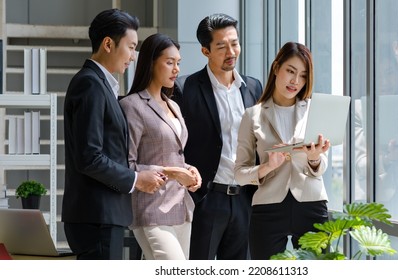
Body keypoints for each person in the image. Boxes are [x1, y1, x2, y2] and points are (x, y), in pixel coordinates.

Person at [62, 9, 165, 260]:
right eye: (130, 47)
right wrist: (136, 179)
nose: (133, 56)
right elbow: (90, 157)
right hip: (97, 217)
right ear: (108, 44)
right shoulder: (90, 84)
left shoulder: (101, 86)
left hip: (102, 216)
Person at [172, 13, 263, 260]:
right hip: (206, 199)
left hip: (245, 199)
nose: (231, 51)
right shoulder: (185, 88)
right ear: (205, 51)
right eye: (221, 46)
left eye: (234, 43)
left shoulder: (253, 87)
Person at [234, 42, 330, 260]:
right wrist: (268, 166)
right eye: (291, 71)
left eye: (303, 75)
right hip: (268, 208)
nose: (296, 81)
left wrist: (314, 159)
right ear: (276, 68)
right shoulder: (252, 116)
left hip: (311, 204)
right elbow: (239, 173)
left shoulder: (313, 111)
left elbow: (321, 166)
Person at [119, 33, 202, 260]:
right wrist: (174, 173)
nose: (176, 69)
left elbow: (171, 152)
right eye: (169, 62)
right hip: (151, 209)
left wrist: (189, 169)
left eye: (178, 63)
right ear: (151, 62)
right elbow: (128, 164)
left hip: (181, 208)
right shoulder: (132, 105)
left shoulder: (173, 105)